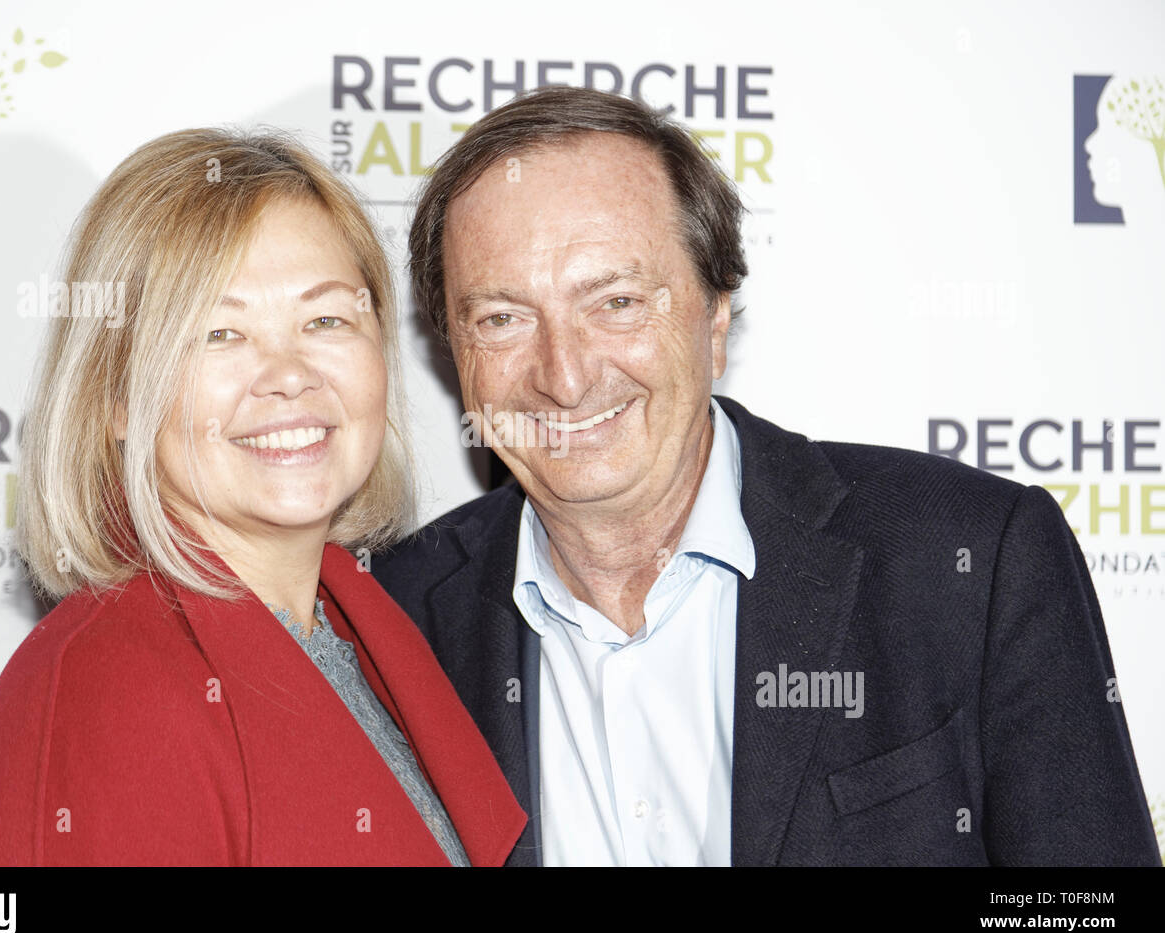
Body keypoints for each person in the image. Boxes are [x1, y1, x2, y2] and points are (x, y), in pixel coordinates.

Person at [372, 87, 1161, 866]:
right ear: (454, 349)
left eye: (615, 302)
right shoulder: (390, 618)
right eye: (502, 318)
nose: (566, 376)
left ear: (715, 319)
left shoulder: (968, 562)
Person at [0, 127, 525, 866]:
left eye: (325, 320)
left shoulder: (368, 636)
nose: (288, 373)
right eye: (220, 332)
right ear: (117, 397)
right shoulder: (109, 698)